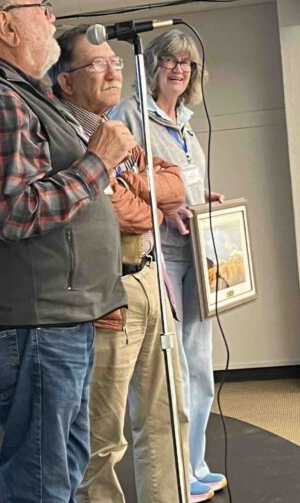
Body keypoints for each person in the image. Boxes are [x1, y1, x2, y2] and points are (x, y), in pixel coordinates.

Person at [0, 0, 137, 502]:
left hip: (50, 320)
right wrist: (97, 162)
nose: (52, 19)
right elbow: (15, 212)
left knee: (61, 471)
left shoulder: (19, 94)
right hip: (35, 327)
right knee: (44, 484)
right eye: (40, 8)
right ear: (6, 24)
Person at [50, 25, 190, 503]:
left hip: (152, 279)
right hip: (110, 298)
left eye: (115, 61)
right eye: (97, 63)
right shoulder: (65, 139)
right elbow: (116, 216)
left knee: (168, 417)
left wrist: (137, 188)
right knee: (101, 437)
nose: (113, 71)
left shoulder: (116, 130)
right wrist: (146, 200)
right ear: (66, 80)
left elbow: (176, 184)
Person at [110, 29, 227, 503]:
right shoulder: (132, 116)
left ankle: (195, 462)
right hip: (156, 252)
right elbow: (118, 181)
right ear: (153, 64)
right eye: (173, 61)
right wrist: (165, 210)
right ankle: (174, 471)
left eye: (189, 64)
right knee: (171, 364)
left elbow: (183, 180)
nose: (181, 70)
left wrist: (201, 200)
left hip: (195, 251)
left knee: (198, 362)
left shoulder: (188, 121)